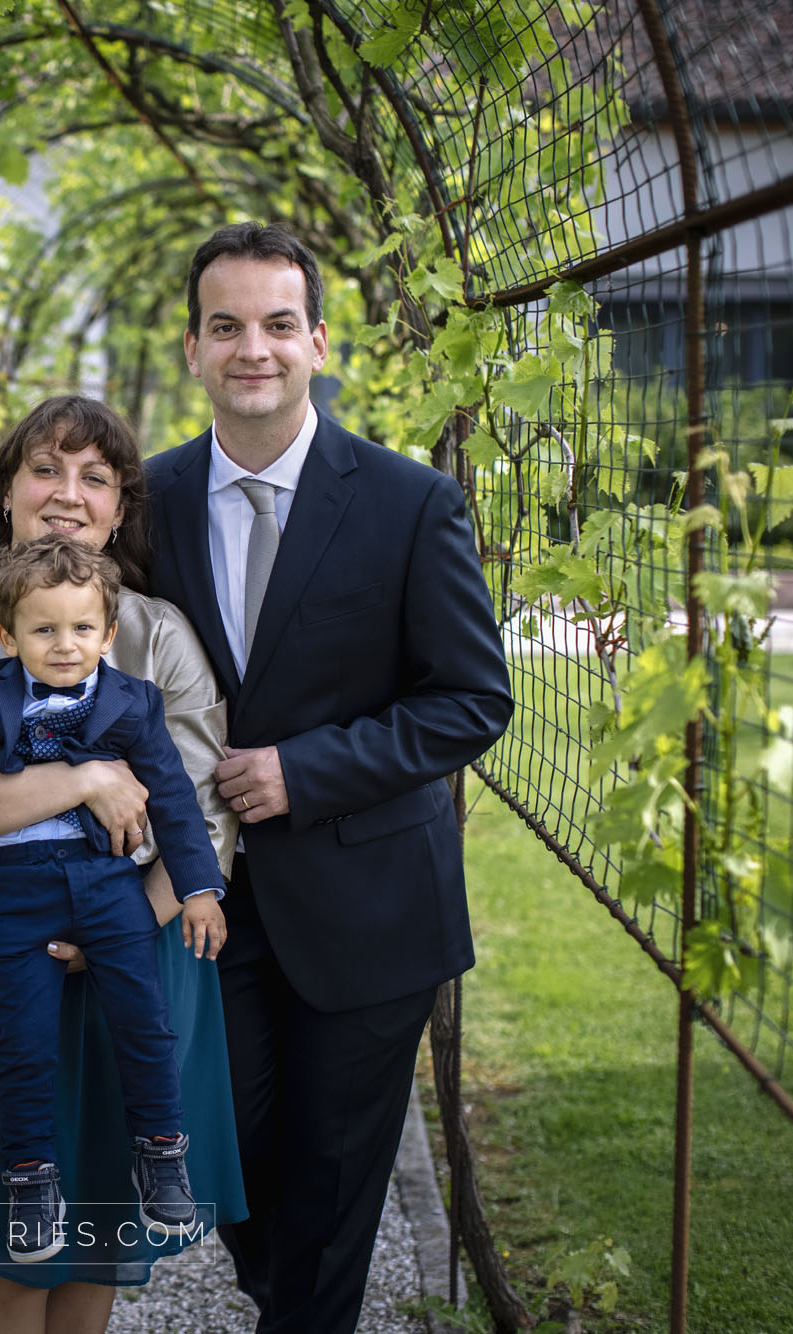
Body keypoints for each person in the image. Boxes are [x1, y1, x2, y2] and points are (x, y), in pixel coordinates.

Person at [142, 221, 513, 1334]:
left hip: (366, 904)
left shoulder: (409, 504)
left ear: (315, 341)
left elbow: (470, 698)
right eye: (225, 326)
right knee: (221, 1154)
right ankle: (288, 1291)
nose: (250, 347)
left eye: (275, 323)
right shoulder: (148, 504)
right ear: (195, 349)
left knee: (335, 1174)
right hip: (196, 901)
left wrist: (304, 769)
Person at [0, 396, 245, 1334]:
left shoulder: (160, 636)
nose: (67, 495)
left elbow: (202, 809)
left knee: (106, 1229)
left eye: (95, 478)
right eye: (44, 469)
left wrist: (140, 916)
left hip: (134, 933)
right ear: (6, 490)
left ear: (120, 508)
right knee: (10, 1239)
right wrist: (86, 778)